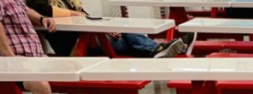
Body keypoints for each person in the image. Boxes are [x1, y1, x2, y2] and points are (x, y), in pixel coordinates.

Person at [26, 0, 186, 57]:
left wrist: (106, 27)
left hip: (89, 39)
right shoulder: (39, 4)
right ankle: (158, 48)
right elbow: (40, 8)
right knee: (125, 37)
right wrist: (76, 14)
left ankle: (158, 48)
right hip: (75, 47)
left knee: (123, 32)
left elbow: (84, 16)